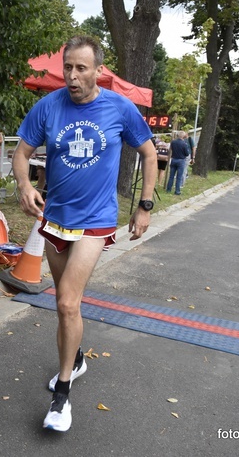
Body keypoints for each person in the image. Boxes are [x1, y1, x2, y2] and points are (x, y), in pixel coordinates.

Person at [12, 35, 156, 432]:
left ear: (97, 71)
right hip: (55, 218)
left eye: (81, 68)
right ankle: (74, 360)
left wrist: (144, 206)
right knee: (64, 301)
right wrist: (25, 185)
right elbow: (20, 154)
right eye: (68, 68)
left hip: (96, 219)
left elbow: (147, 153)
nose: (72, 77)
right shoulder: (48, 107)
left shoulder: (119, 108)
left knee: (67, 304)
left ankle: (61, 397)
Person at [166, 131, 190, 195]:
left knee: (171, 176)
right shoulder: (184, 144)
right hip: (181, 160)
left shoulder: (173, 142)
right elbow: (187, 154)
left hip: (174, 159)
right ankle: (177, 191)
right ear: (183, 136)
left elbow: (170, 149)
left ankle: (168, 189)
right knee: (179, 177)